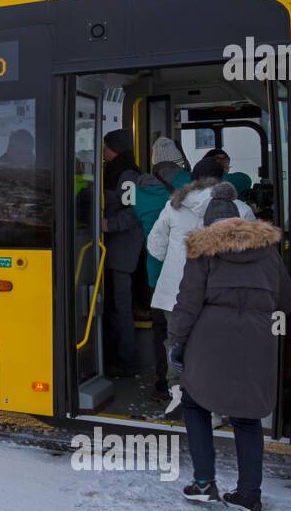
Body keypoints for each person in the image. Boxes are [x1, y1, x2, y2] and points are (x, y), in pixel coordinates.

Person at [165, 185, 291, 511]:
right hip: (257, 337)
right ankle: (249, 495)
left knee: (195, 403)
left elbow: (188, 303)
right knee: (248, 417)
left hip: (210, 337)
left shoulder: (203, 249)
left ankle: (204, 484)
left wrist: (175, 342)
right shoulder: (268, 251)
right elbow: (286, 300)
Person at [147, 158, 255, 344]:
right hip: (219, 295)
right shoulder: (240, 210)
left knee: (176, 345)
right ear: (222, 179)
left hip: (174, 294)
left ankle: (176, 374)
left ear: (193, 178)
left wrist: (176, 261)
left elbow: (155, 246)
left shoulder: (172, 206)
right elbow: (251, 254)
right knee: (214, 349)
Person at [133, 136, 187, 402]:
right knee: (185, 331)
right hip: (184, 275)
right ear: (179, 161)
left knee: (160, 331)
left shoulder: (140, 191)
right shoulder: (188, 184)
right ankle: (186, 386)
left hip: (155, 274)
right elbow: (239, 182)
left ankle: (161, 385)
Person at [100, 129, 143, 377]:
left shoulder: (127, 174)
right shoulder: (115, 171)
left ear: (115, 148)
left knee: (120, 308)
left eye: (106, 147)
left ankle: (127, 362)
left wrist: (107, 224)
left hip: (121, 252)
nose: (104, 153)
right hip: (113, 250)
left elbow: (131, 211)